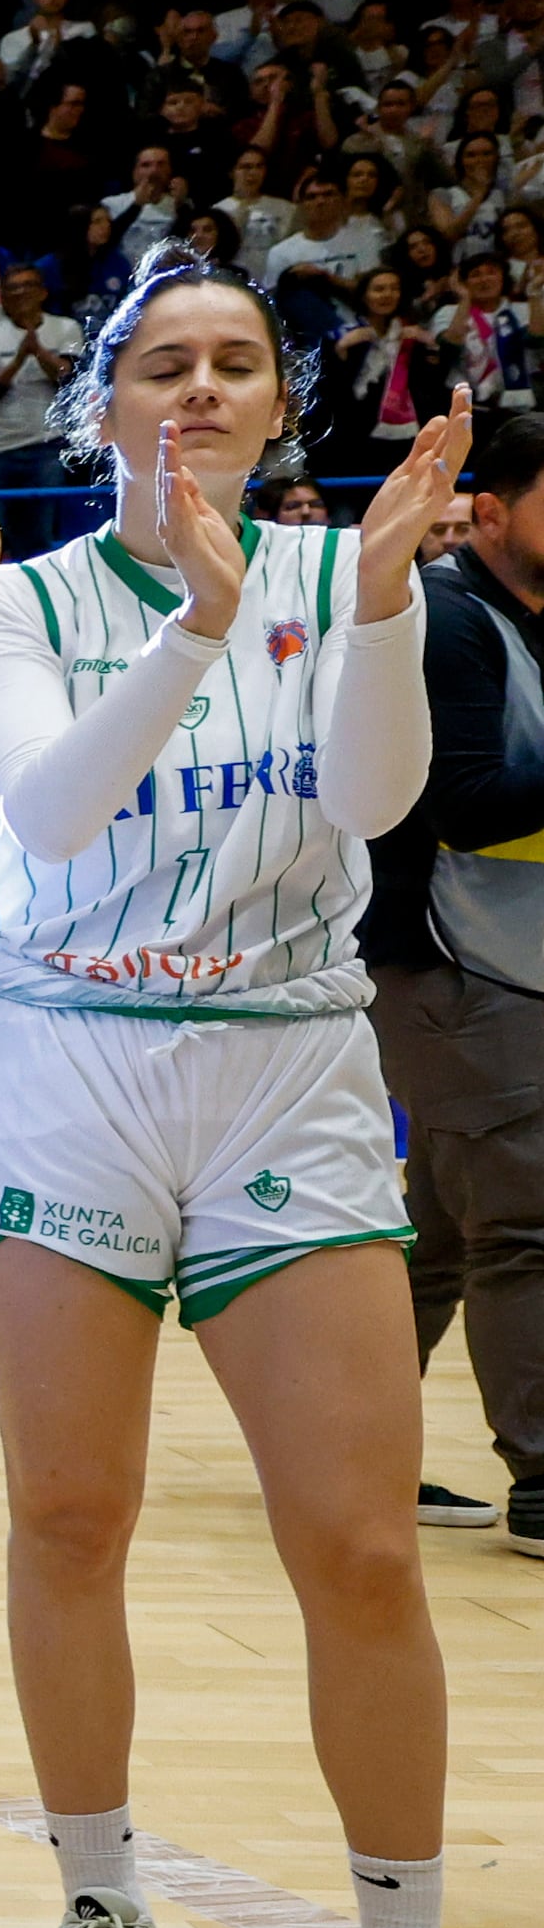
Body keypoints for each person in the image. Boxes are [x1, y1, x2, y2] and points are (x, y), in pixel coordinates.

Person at [0, 268, 491, 1928]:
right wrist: (192, 625)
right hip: (67, 1060)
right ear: (103, 400)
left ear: (280, 401)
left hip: (286, 1058)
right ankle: (99, 1907)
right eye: (163, 361)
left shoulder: (353, 573)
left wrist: (397, 597)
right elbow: (52, 814)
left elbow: (375, 797)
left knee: (361, 1545)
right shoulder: (15, 605)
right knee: (74, 1512)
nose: (199, 385)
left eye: (235, 362)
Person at [370, 409, 544, 1553]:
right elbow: (468, 805)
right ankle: (540, 1484)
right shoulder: (443, 621)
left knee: (437, 1228)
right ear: (487, 511)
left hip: (504, 959)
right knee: (525, 1225)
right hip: (440, 964)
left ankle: (338, 1439)